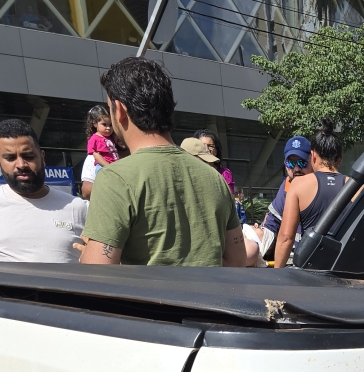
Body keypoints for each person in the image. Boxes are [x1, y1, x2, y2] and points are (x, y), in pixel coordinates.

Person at [80, 57, 246, 267]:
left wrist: (87, 254)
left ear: (119, 109)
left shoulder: (115, 178)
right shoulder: (215, 178)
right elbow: (237, 260)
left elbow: (97, 274)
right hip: (211, 298)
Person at [0, 118, 88, 262]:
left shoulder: (78, 208)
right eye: (10, 158)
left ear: (42, 157)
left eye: (28, 156)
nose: (21, 165)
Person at [273, 120, 344, 268]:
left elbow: (286, 238)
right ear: (340, 158)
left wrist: (277, 275)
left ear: (313, 156)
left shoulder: (299, 185)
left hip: (310, 272)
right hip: (345, 270)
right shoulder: (357, 187)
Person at [260, 134, 311, 262]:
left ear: (312, 161)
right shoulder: (286, 186)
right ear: (285, 164)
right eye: (291, 163)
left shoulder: (319, 186)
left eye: (302, 162)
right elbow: (271, 223)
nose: (297, 168)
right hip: (293, 258)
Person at [194, 128, 236, 195]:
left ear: (216, 151)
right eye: (203, 145)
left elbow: (229, 198)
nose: (207, 149)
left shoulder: (224, 174)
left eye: (210, 146)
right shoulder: (191, 173)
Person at [86, 104, 118, 171]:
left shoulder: (111, 137)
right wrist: (108, 166)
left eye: (110, 125)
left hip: (113, 166)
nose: (108, 128)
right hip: (103, 167)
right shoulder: (94, 139)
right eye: (104, 124)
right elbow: (96, 155)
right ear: (95, 124)